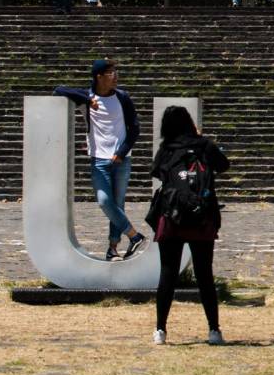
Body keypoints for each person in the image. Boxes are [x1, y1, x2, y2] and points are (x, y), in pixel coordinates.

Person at [148, 106, 230, 346]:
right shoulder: (204, 146)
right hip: (201, 217)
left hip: (172, 217)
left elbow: (157, 173)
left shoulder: (167, 149)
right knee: (205, 274)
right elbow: (224, 166)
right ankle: (214, 330)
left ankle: (160, 330)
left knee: (167, 273)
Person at [53, 59, 146, 261]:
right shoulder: (87, 98)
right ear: (99, 76)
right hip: (98, 160)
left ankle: (112, 249)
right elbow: (58, 90)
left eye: (115, 72)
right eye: (111, 72)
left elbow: (135, 129)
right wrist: (87, 100)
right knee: (105, 201)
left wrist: (121, 152)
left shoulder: (123, 97)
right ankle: (134, 236)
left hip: (121, 160)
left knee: (117, 205)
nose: (115, 76)